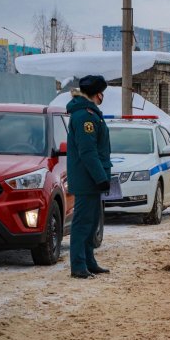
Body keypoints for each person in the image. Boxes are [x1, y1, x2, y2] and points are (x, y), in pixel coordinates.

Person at [66, 75, 112, 279]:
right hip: (87, 179)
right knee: (83, 223)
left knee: (92, 222)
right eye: (101, 93)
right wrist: (100, 177)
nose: (103, 97)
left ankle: (89, 261)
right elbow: (88, 152)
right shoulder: (85, 116)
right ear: (96, 94)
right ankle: (78, 265)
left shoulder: (90, 113)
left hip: (91, 179)